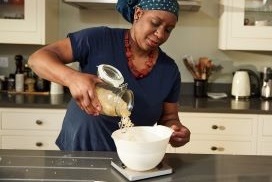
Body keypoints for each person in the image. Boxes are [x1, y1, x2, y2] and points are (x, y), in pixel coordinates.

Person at [28, 0, 190, 151]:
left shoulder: (169, 70)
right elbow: (37, 59)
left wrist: (176, 131)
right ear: (138, 14)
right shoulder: (99, 39)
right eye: (155, 23)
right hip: (80, 150)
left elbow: (169, 117)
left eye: (168, 29)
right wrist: (72, 78)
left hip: (133, 157)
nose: (161, 34)